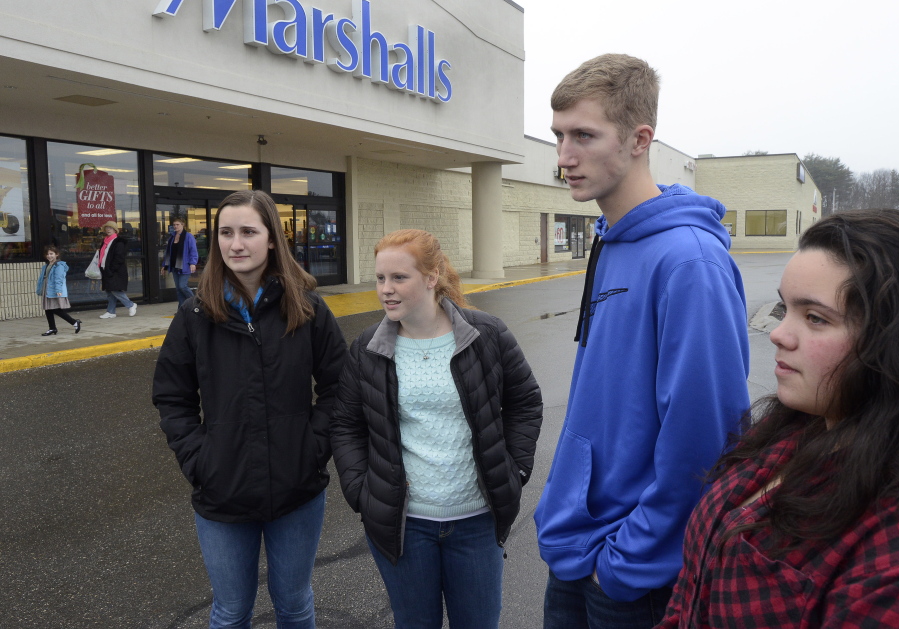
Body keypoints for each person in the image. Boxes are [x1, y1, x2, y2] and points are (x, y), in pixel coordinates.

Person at [657, 209, 899, 628]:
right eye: (786, 309)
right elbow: (693, 592)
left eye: (816, 318)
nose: (779, 333)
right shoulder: (800, 425)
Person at [533, 53, 751, 628]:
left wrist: (631, 560)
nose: (564, 157)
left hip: (631, 573)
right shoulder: (610, 239)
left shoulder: (689, 261)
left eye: (584, 135)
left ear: (639, 139)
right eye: (558, 136)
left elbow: (706, 437)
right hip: (577, 549)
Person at [152, 190, 348, 628]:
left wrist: (314, 446)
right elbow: (172, 396)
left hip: (298, 489)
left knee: (295, 605)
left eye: (248, 232)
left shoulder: (309, 309)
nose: (235, 243)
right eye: (225, 232)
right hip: (222, 491)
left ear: (272, 239)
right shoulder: (195, 314)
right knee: (230, 611)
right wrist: (200, 460)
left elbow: (340, 386)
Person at [330, 229, 543, 629]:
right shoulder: (367, 349)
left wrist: (513, 471)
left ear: (431, 277)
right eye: (380, 279)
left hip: (477, 521)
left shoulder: (487, 335)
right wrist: (361, 490)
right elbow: (346, 424)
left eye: (399, 278)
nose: (386, 290)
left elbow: (525, 402)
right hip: (405, 525)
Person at [35, 245, 81, 336]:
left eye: (51, 254)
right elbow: (42, 278)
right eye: (47, 254)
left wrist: (58, 290)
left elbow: (59, 279)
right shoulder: (46, 266)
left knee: (56, 309)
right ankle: (52, 328)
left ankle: (74, 322)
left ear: (57, 254)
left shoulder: (59, 265)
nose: (49, 256)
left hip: (54, 290)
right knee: (48, 309)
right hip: (47, 289)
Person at [97, 220, 137, 318]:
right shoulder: (105, 241)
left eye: (110, 228)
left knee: (115, 290)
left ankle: (130, 305)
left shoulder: (118, 242)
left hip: (115, 271)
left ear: (115, 230)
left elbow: (119, 258)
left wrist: (111, 269)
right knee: (109, 291)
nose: (108, 230)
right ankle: (111, 311)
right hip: (106, 269)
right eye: (107, 228)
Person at [161, 215, 199, 304]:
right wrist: (164, 266)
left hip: (184, 266)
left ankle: (196, 303)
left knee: (182, 286)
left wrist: (193, 263)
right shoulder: (172, 237)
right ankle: (181, 309)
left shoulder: (188, 236)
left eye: (177, 224)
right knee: (178, 289)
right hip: (174, 266)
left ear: (183, 225)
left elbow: (193, 250)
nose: (175, 226)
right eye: (174, 225)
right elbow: (168, 253)